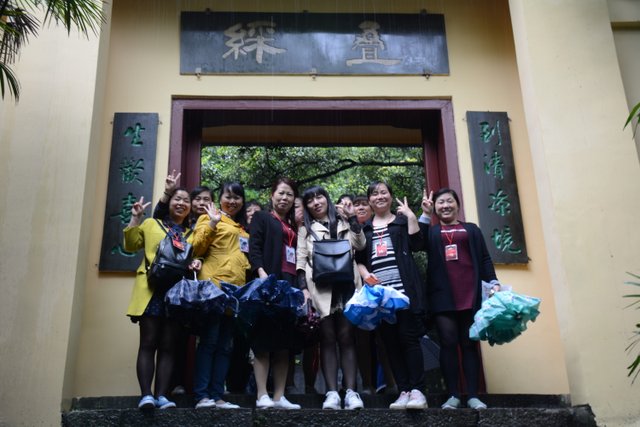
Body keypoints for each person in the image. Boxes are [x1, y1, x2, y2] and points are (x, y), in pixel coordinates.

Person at [420, 188, 500, 410]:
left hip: (470, 294)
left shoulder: (471, 229)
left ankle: (473, 395)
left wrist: (493, 282)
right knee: (448, 343)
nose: (445, 205)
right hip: (442, 295)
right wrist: (425, 215)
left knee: (469, 343)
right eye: (440, 202)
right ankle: (453, 395)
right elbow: (416, 243)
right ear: (435, 207)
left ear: (457, 204)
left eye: (449, 201)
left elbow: (484, 258)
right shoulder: (432, 232)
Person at [124, 188, 200, 410]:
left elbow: (196, 257)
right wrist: (136, 218)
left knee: (169, 346)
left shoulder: (192, 234)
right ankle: (146, 395)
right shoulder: (151, 224)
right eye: (177, 199)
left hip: (176, 294)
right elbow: (130, 245)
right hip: (152, 290)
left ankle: (162, 396)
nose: (181, 203)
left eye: (186, 201)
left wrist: (197, 262)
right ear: (169, 202)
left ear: (190, 208)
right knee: (148, 342)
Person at [355, 181, 428, 410]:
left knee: (409, 339)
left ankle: (418, 391)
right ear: (369, 200)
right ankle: (404, 390)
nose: (379, 196)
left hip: (403, 292)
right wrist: (365, 274)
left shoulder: (401, 222)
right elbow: (359, 260)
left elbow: (418, 244)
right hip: (381, 298)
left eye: (383, 192)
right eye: (374, 194)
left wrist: (412, 216)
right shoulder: (365, 229)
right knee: (390, 344)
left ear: (390, 196)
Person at [296, 186, 366, 410]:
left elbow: (360, 245)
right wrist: (304, 290)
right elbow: (300, 261)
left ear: (327, 198)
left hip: (347, 286)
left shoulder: (344, 221)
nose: (316, 202)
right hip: (320, 288)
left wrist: (352, 219)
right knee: (326, 338)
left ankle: (351, 392)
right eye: (310, 200)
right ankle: (332, 392)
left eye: (319, 197)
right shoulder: (305, 229)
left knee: (346, 337)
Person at [191, 182, 250, 409]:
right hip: (213, 287)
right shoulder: (208, 217)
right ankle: (201, 395)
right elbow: (196, 248)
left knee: (226, 345)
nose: (232, 201)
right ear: (220, 198)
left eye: (237, 197)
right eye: (228, 196)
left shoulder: (241, 227)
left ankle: (217, 396)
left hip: (234, 291)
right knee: (210, 341)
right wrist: (213, 223)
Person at [248, 177, 302, 410]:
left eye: (289, 194)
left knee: (284, 343)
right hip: (268, 283)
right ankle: (262, 394)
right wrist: (261, 273)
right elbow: (254, 247)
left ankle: (279, 396)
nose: (284, 198)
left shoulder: (293, 226)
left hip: (289, 285)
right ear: (272, 195)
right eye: (281, 193)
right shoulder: (262, 218)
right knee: (263, 340)